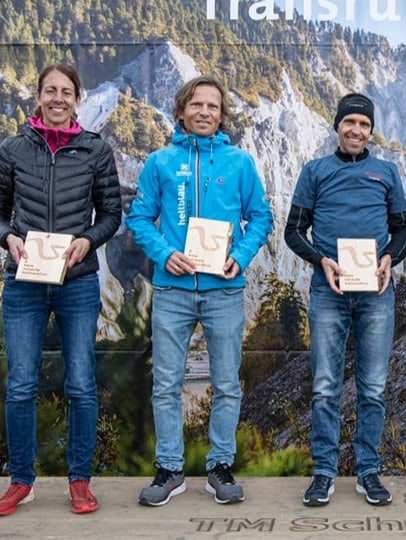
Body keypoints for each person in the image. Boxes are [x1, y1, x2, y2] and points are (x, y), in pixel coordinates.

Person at [0, 63, 122, 516]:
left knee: (81, 384)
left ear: (77, 98)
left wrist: (88, 241)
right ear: (38, 96)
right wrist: (9, 238)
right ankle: (20, 480)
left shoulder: (96, 151)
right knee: (21, 384)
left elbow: (111, 215)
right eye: (50, 91)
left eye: (66, 91)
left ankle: (79, 480)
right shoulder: (12, 149)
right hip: (23, 283)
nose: (58, 98)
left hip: (77, 283)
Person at [127, 76, 273, 507]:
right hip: (172, 288)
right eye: (197, 105)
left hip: (224, 289)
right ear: (181, 111)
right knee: (166, 383)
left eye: (213, 106)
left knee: (227, 383)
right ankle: (169, 469)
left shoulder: (240, 163)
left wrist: (240, 257)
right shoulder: (160, 162)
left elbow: (260, 218)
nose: (205, 112)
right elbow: (138, 219)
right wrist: (164, 252)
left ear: (222, 114)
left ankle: (219, 468)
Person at [284, 92, 406, 507]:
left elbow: (402, 231)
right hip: (330, 290)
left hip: (375, 291)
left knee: (372, 387)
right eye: (349, 123)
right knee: (324, 387)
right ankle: (323, 473)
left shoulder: (387, 172)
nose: (356, 130)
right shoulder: (315, 171)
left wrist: (390, 257)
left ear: (371, 131)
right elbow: (293, 231)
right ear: (337, 126)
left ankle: (368, 472)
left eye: (364, 124)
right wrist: (321, 261)